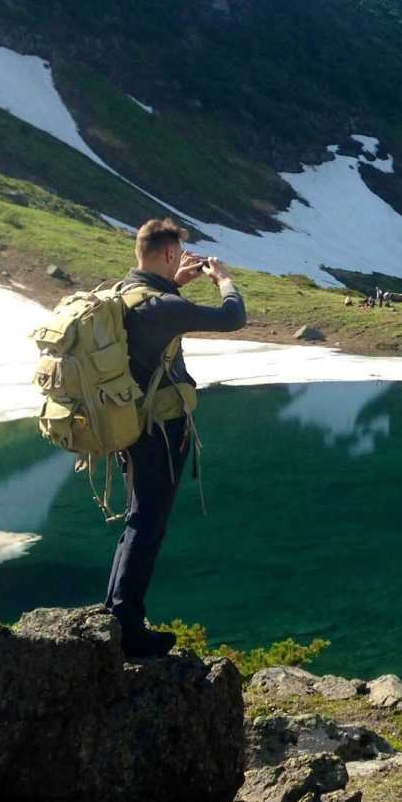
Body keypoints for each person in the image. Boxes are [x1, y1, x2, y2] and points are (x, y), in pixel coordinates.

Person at [103, 217, 246, 659]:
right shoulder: (160, 307)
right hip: (160, 430)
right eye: (176, 255)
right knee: (149, 523)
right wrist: (224, 280)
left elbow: (154, 327)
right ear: (168, 254)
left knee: (137, 518)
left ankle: (114, 613)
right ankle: (128, 625)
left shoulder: (122, 294)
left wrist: (176, 283)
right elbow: (233, 317)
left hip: (128, 423)